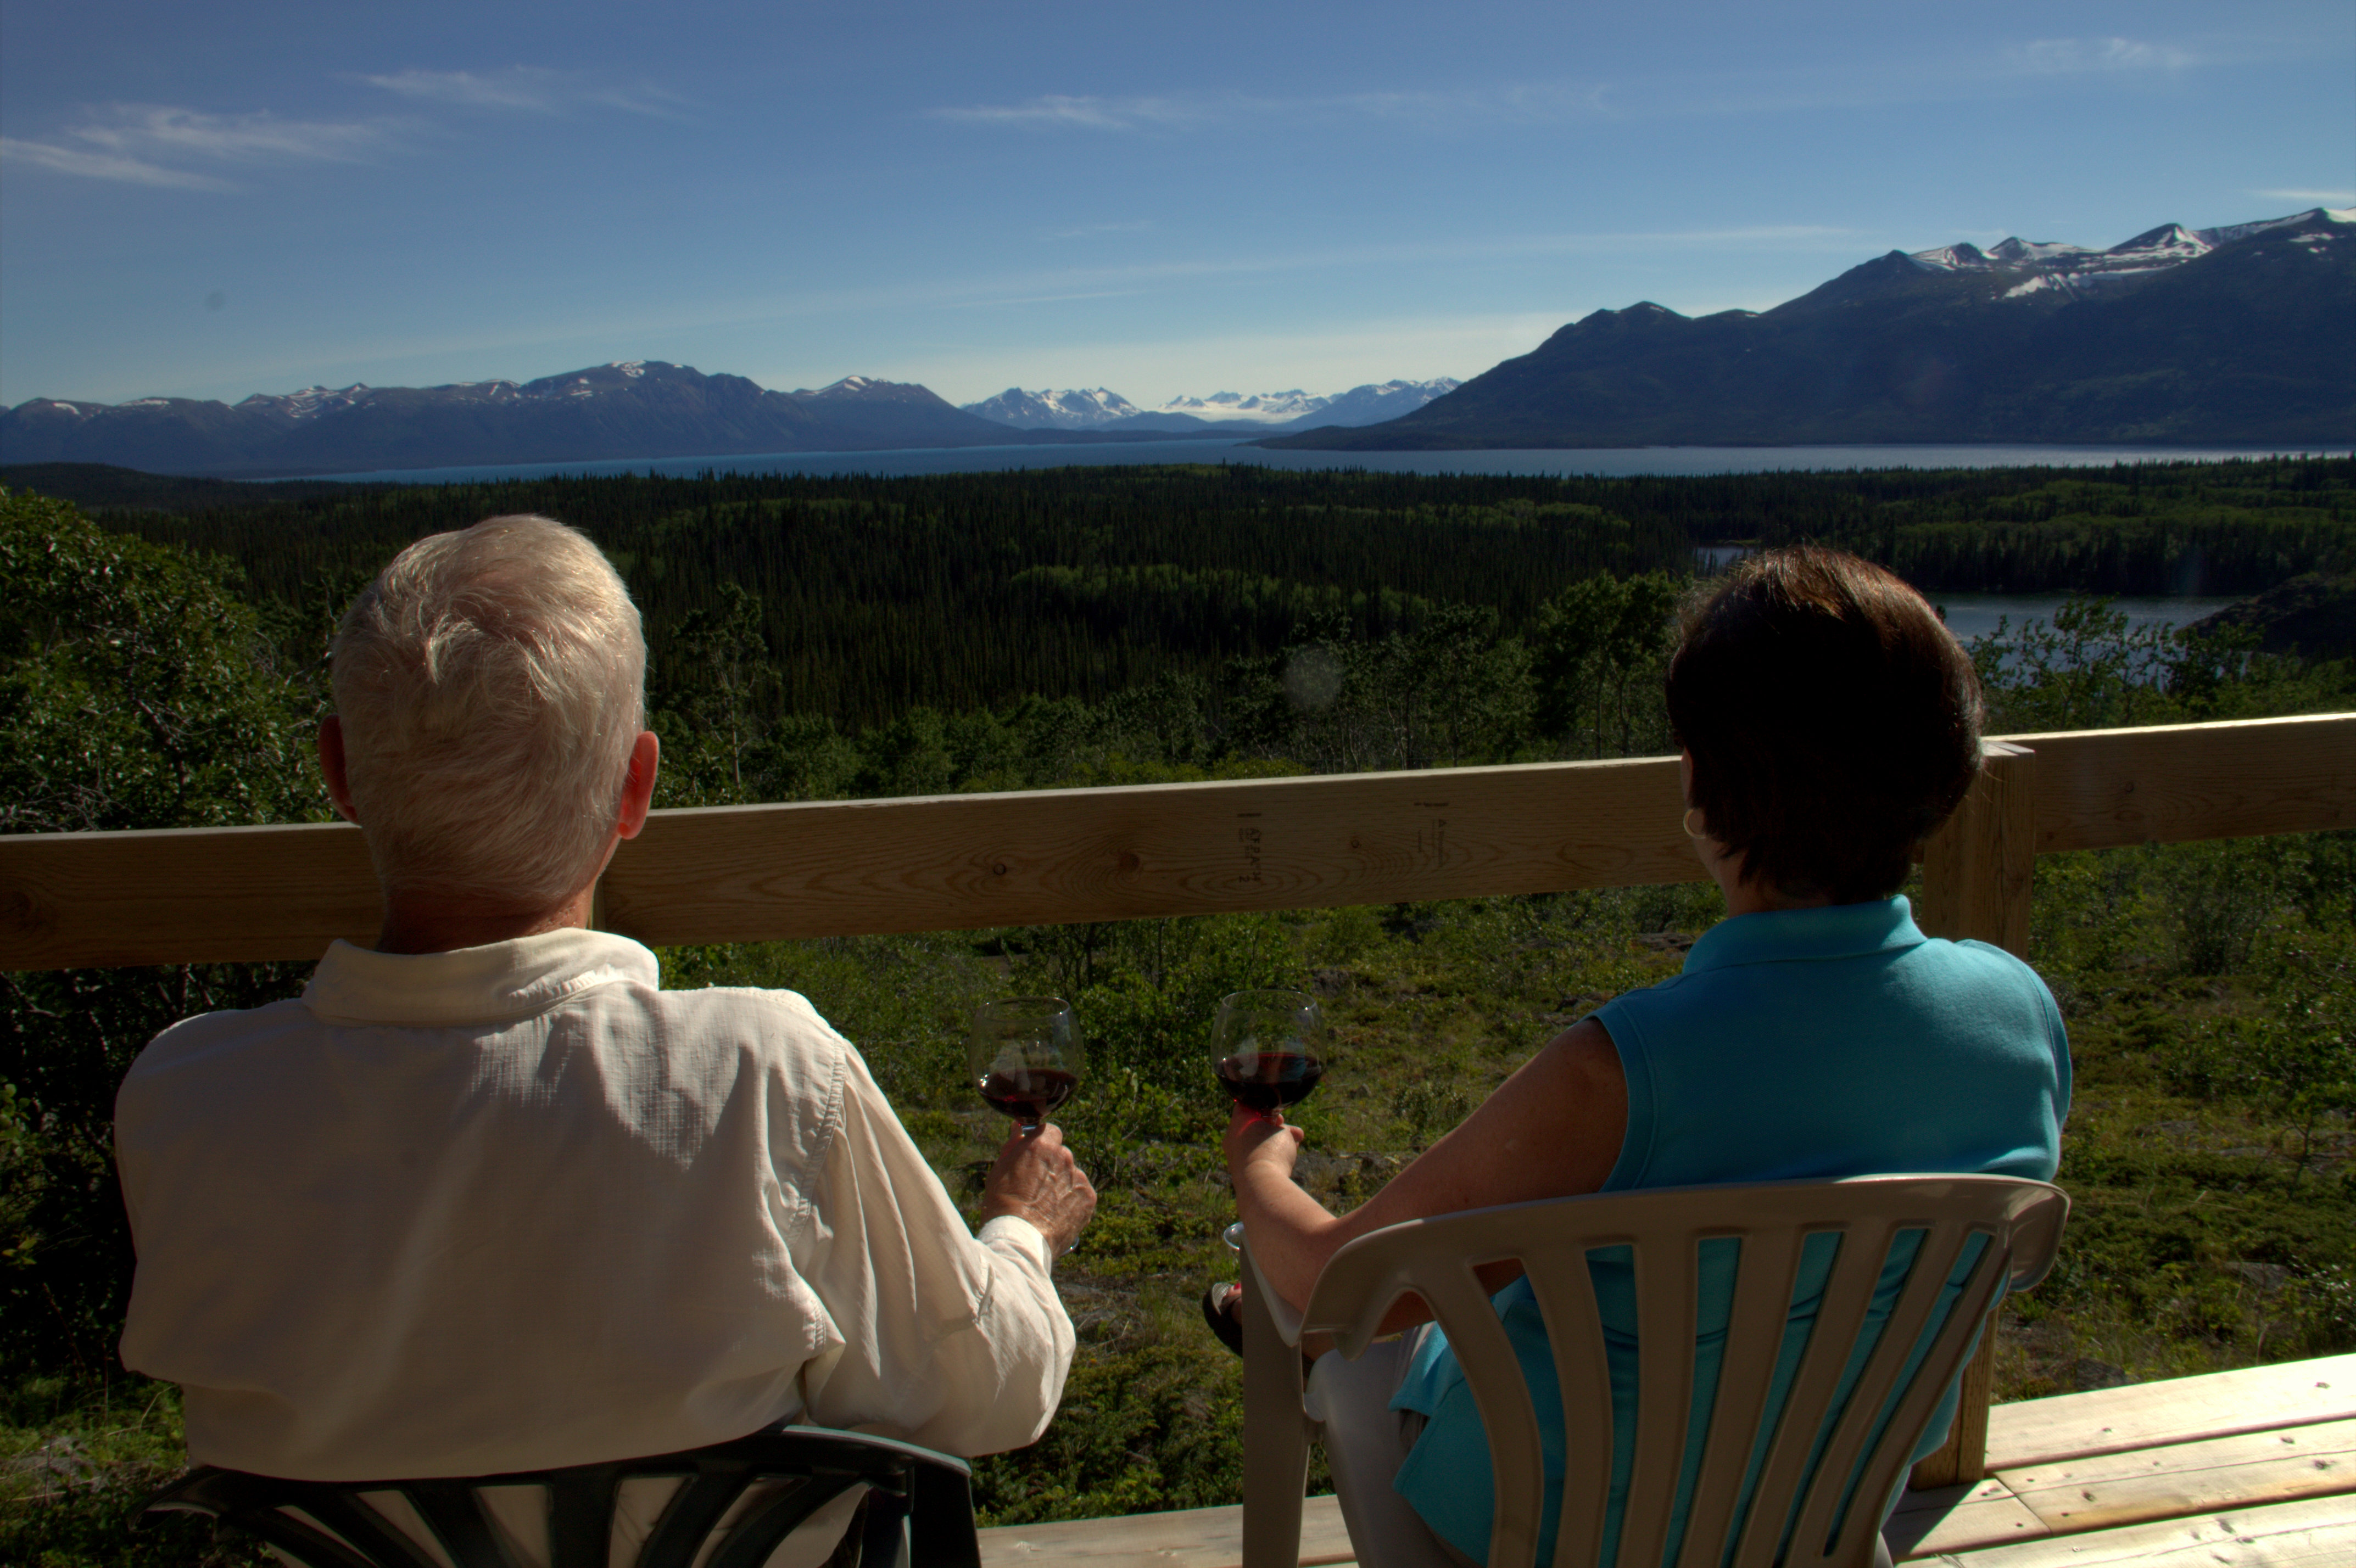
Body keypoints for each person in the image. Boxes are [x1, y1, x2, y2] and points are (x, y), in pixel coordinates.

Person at [115, 515, 1097, 1503]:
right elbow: (988, 1397)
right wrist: (1020, 1230)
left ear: (339, 774)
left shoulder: (184, 1096)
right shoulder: (758, 1072)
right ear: (634, 786)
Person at [1219, 545, 2070, 1568]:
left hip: (1554, 1536)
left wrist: (1258, 1170)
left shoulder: (1623, 1071)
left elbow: (1339, 1285)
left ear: (1706, 792)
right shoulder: (2016, 1017)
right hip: (1815, 1519)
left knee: (1357, 1348)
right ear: (1941, 771)